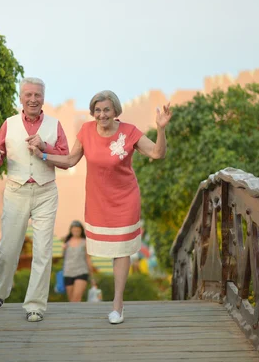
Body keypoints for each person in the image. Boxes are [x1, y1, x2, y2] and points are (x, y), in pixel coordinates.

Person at [29, 90, 171, 324]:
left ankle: (118, 305)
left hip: (126, 198)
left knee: (122, 250)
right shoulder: (86, 131)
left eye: (106, 109)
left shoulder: (130, 132)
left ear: (115, 111)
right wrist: (43, 155)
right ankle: (116, 303)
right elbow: (70, 160)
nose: (101, 114)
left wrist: (162, 128)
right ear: (92, 112)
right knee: (108, 249)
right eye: (97, 110)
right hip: (98, 199)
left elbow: (157, 153)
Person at [0, 77, 69, 322]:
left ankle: (35, 305)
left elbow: (65, 159)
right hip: (16, 190)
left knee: (43, 250)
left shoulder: (55, 125)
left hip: (46, 191)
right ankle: (0, 291)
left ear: (43, 98)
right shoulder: (9, 124)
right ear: (21, 98)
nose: (33, 99)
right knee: (8, 249)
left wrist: (45, 147)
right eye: (28, 95)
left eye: (37, 95)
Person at [62, 220, 96, 302]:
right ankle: (72, 315)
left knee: (76, 299)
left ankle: (76, 315)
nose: (76, 231)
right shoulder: (66, 243)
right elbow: (64, 258)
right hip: (68, 272)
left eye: (78, 229)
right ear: (71, 230)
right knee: (71, 300)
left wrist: (92, 277)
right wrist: (63, 249)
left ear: (81, 230)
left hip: (81, 272)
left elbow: (88, 259)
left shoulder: (85, 243)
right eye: (74, 229)